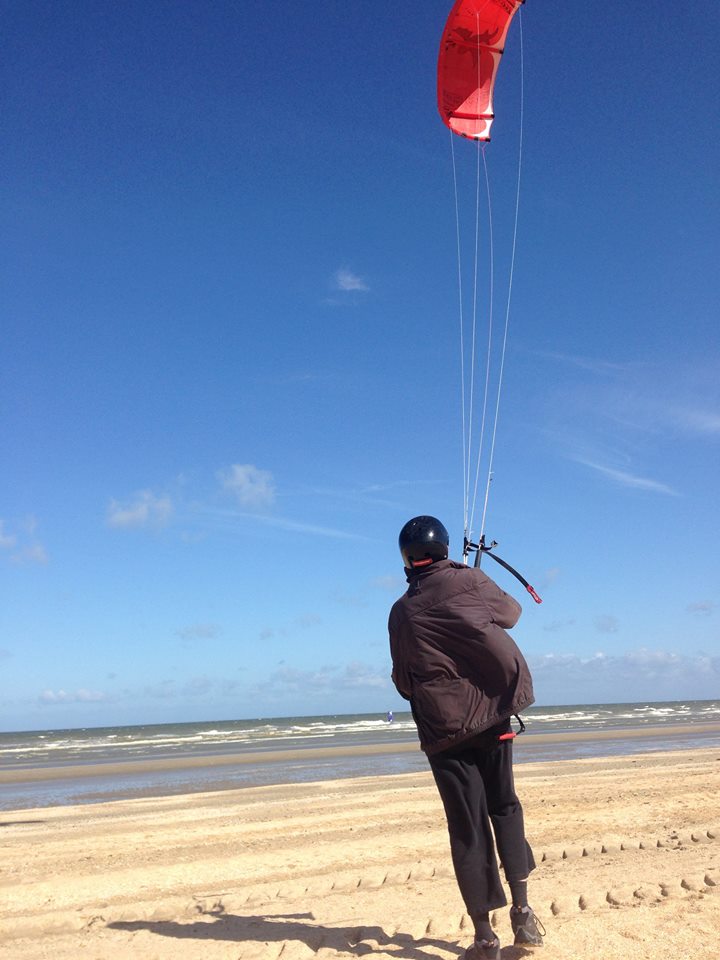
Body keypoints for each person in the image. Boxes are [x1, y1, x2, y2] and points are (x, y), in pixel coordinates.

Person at [388, 516, 544, 960]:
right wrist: (473, 579)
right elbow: (511, 614)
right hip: (493, 716)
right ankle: (522, 911)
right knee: (505, 805)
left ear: (407, 557)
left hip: (445, 731)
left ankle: (484, 938)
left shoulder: (401, 612)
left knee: (468, 826)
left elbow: (404, 681)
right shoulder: (470, 579)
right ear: (443, 549)